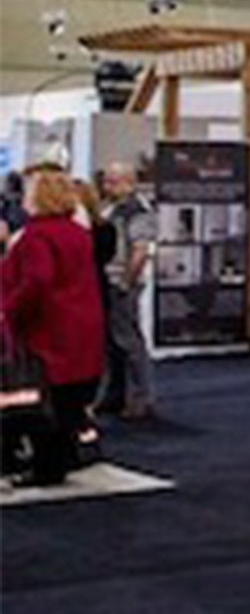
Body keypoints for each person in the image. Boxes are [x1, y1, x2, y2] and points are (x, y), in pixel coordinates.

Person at [2, 169, 107, 487]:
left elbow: (38, 281)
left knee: (43, 400)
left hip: (50, 327)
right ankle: (64, 458)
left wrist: (9, 310)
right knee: (70, 398)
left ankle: (46, 467)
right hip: (83, 323)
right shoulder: (78, 233)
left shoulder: (37, 236)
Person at [95, 162, 157, 421]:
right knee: (111, 344)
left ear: (128, 182)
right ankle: (114, 394)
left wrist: (126, 282)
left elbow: (140, 250)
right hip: (107, 280)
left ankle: (141, 398)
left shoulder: (137, 211)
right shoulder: (110, 207)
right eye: (106, 181)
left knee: (129, 342)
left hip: (122, 282)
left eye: (112, 181)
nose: (106, 186)